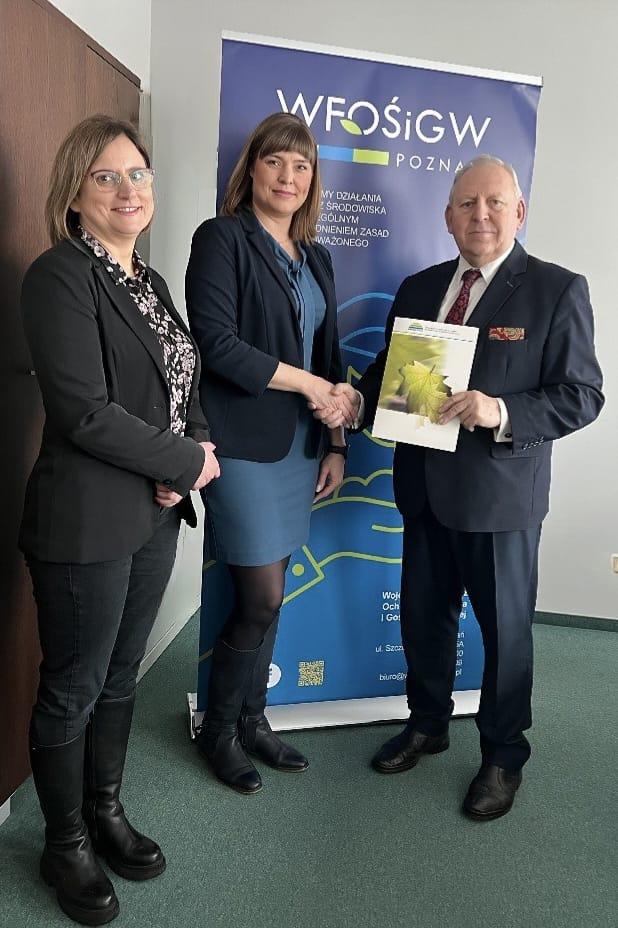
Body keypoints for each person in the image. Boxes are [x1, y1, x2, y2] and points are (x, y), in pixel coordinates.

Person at [315, 155, 604, 820]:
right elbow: (393, 372)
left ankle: (504, 755)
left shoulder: (557, 289)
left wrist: (498, 410)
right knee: (424, 616)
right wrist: (355, 401)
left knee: (505, 634)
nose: (481, 215)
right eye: (467, 204)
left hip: (500, 499)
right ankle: (428, 723)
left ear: (518, 212)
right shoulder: (420, 288)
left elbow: (582, 394)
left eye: (495, 202)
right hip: (422, 488)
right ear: (447, 217)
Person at [20, 115, 219, 925]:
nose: (128, 189)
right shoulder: (59, 276)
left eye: (138, 173)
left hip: (153, 516)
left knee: (121, 675)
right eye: (106, 176)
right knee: (74, 685)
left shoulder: (150, 281)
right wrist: (183, 463)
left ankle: (105, 809)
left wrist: (192, 449)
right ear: (75, 194)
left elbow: (182, 385)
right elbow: (85, 412)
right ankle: (63, 843)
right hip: (85, 520)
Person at [186, 112, 353, 795]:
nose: (288, 176)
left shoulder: (317, 256)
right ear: (251, 168)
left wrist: (336, 439)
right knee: (261, 596)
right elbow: (217, 344)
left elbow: (329, 353)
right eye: (275, 161)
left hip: (301, 448)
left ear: (313, 179)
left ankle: (253, 720)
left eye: (301, 165)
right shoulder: (222, 238)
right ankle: (218, 730)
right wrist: (310, 385)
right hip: (245, 446)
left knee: (272, 599)